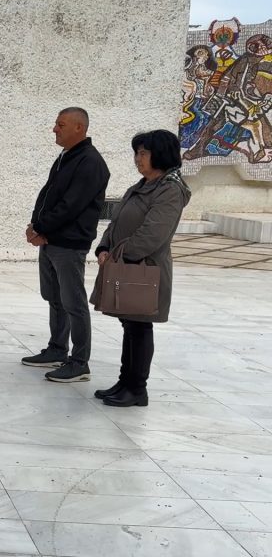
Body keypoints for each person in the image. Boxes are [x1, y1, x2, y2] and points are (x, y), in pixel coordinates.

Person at [91, 130, 191, 407]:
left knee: (139, 326)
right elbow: (116, 222)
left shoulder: (170, 189)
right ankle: (125, 382)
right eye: (137, 153)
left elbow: (153, 234)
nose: (138, 158)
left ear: (161, 154)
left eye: (144, 153)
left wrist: (119, 255)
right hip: (127, 265)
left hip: (145, 269)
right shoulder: (142, 185)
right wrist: (103, 247)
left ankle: (137, 388)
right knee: (130, 324)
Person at [22, 107, 110, 382]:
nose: (54, 129)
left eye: (60, 124)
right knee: (55, 297)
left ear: (79, 128)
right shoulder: (67, 157)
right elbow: (48, 196)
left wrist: (41, 228)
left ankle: (79, 362)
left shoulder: (90, 162)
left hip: (69, 244)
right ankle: (57, 349)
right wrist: (35, 226)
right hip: (51, 239)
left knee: (73, 302)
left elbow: (71, 206)